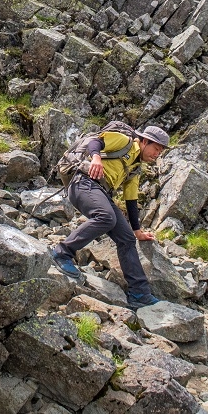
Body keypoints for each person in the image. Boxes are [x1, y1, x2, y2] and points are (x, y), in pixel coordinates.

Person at [49, 125, 170, 309]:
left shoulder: (135, 168)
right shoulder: (125, 141)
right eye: (156, 149)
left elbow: (131, 199)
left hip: (100, 191)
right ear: (145, 141)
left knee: (127, 238)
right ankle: (62, 252)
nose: (157, 154)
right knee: (106, 217)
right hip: (82, 181)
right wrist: (96, 158)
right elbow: (95, 142)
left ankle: (139, 294)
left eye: (160, 152)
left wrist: (137, 231)